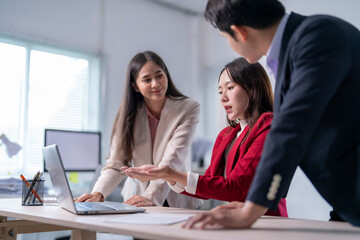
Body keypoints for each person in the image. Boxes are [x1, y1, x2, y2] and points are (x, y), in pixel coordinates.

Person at [184, 0, 360, 229]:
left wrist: (250, 210)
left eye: (225, 37)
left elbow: (291, 129)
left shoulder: (317, 37)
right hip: (346, 201)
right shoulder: (296, 50)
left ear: (240, 32)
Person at [122, 57, 288, 217]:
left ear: (252, 88)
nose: (223, 98)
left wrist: (170, 173)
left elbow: (235, 188)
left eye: (230, 88)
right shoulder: (227, 135)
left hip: (267, 222)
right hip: (238, 222)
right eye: (220, 91)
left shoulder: (267, 126)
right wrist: (167, 175)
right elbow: (210, 183)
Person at [75, 51, 202, 209]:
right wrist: (98, 193)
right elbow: (116, 163)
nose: (155, 84)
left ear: (166, 75)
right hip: (136, 198)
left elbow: (172, 159)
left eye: (159, 75)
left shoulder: (187, 108)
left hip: (175, 196)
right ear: (135, 85)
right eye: (147, 79)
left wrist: (150, 196)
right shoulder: (128, 115)